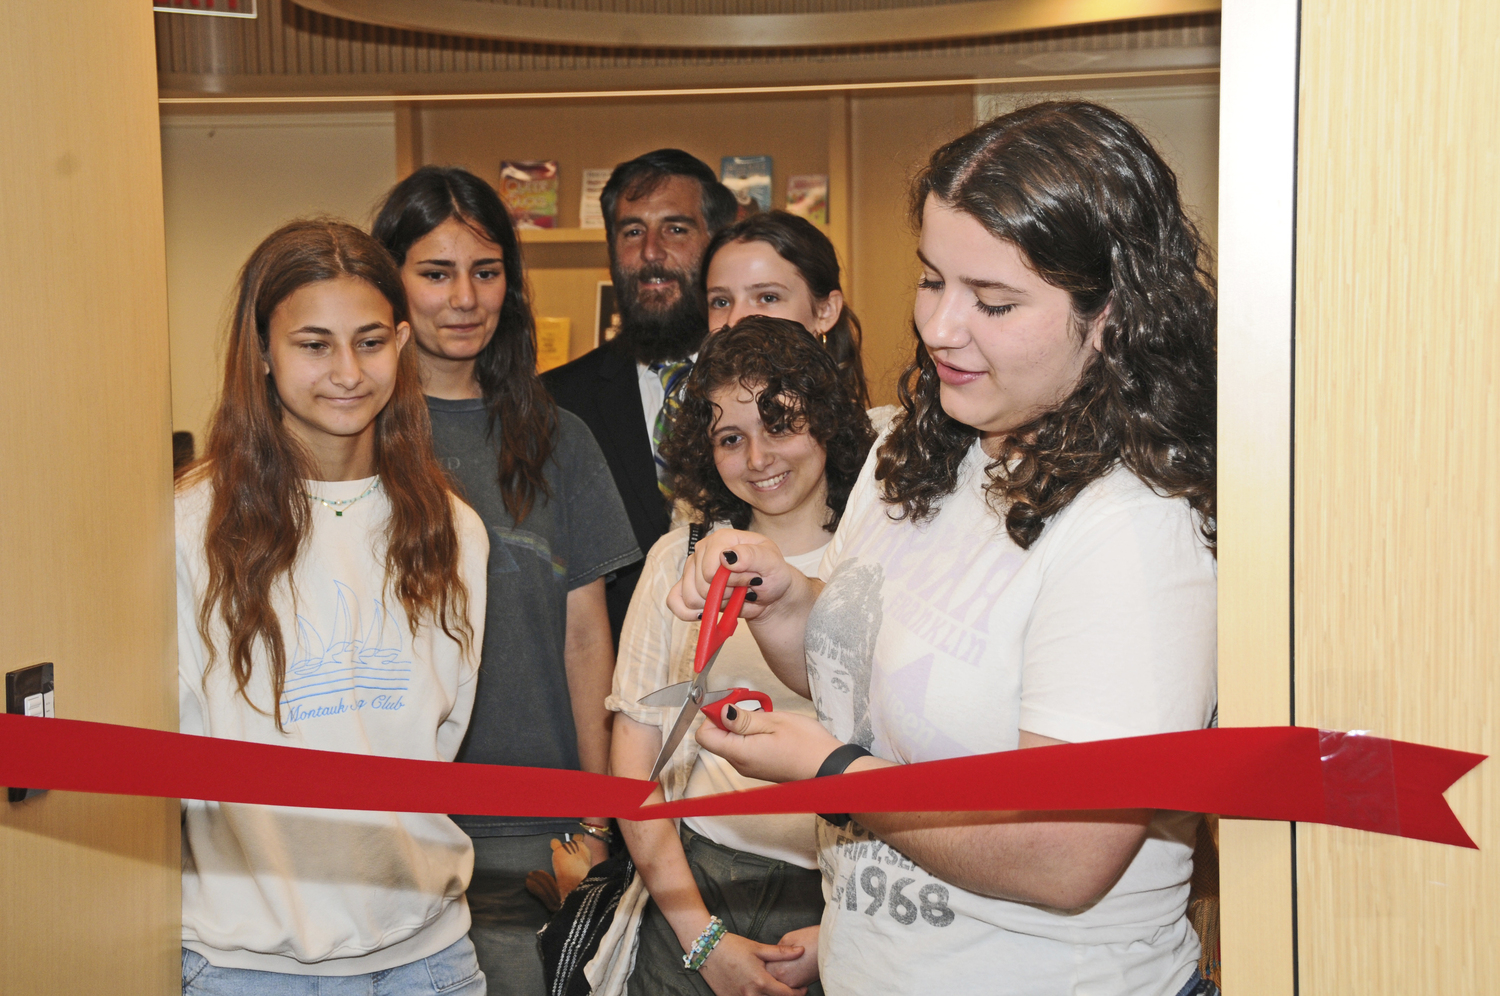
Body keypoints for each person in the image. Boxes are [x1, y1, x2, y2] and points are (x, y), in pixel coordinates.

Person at [676, 102, 1220, 996]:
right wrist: (786, 599)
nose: (940, 327)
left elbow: (1067, 854)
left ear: (1112, 315)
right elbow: (866, 674)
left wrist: (830, 776)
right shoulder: (918, 447)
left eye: (994, 301)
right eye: (933, 281)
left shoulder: (1135, 525)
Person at [176, 219, 490, 994]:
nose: (347, 371)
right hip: (252, 966)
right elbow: (179, 756)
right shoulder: (190, 526)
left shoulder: (453, 528)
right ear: (262, 355)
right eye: (314, 344)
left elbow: (440, 735)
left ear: (403, 343)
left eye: (371, 341)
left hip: (430, 956)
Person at [372, 166, 642, 996]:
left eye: (486, 273)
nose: (465, 298)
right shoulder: (357, 438)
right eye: (436, 272)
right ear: (389, 282)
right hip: (396, 835)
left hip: (541, 837)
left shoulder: (559, 438)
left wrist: (599, 819)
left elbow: (587, 637)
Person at [603, 317, 875, 996]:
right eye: (731, 438)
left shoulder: (881, 559)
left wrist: (842, 930)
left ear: (827, 420)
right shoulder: (682, 559)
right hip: (696, 885)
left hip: (858, 890)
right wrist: (702, 937)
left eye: (780, 424)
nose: (759, 459)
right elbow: (632, 771)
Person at [542, 149, 739, 645]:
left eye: (675, 229)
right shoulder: (554, 404)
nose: (651, 252)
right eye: (632, 232)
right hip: (612, 689)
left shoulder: (765, 395)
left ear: (715, 242)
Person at [703, 211, 869, 409]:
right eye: (721, 302)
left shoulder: (875, 437)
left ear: (826, 311)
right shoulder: (691, 430)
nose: (734, 320)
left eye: (768, 297)